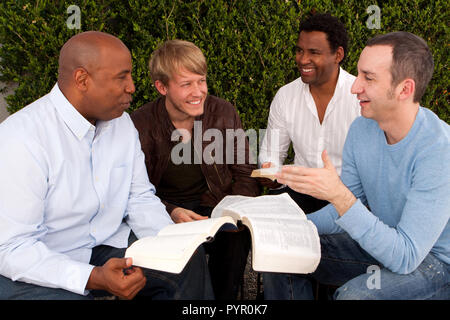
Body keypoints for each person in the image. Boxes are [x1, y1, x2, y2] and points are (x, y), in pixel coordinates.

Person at [0, 31, 213, 300]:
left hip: (105, 243)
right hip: (43, 258)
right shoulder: (21, 138)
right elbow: (12, 248)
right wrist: (92, 278)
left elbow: (138, 197)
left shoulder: (121, 124)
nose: (132, 87)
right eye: (121, 77)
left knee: (186, 260)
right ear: (82, 80)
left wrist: (170, 244)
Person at [264, 31, 450, 300]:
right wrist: (291, 226)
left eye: (368, 78)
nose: (354, 86)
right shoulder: (362, 128)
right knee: (282, 253)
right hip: (385, 245)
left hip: (433, 262)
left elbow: (406, 257)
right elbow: (340, 215)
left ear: (404, 89)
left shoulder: (439, 151)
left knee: (356, 296)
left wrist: (339, 195)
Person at [130, 40, 260, 300]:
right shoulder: (140, 123)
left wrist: (231, 211)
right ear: (162, 87)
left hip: (215, 204)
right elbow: (131, 192)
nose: (198, 92)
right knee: (168, 248)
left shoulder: (222, 112)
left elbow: (246, 171)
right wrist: (170, 211)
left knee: (236, 236)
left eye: (201, 81)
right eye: (186, 84)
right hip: (164, 208)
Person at [258, 13, 360, 214]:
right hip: (299, 194)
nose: (303, 59)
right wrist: (269, 171)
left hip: (347, 196)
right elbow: (270, 153)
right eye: (299, 50)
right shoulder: (286, 96)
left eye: (314, 52)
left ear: (338, 55)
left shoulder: (359, 97)